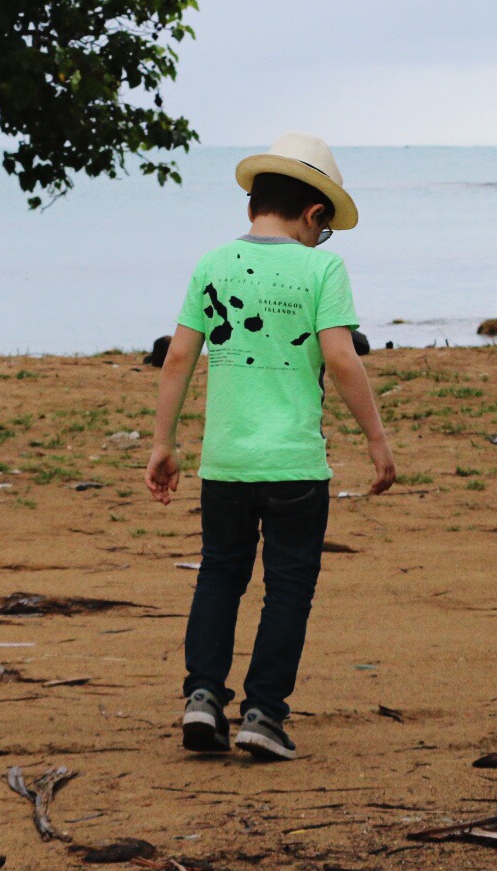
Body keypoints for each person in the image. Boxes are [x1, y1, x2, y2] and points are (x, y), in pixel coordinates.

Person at [146, 132, 396, 761]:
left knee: (219, 576)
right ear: (315, 214)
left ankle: (202, 698)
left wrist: (162, 443)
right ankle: (263, 714)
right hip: (294, 467)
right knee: (287, 590)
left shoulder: (212, 264)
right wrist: (376, 439)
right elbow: (341, 359)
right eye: (325, 227)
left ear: (252, 205)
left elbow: (179, 354)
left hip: (225, 464)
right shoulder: (321, 267)